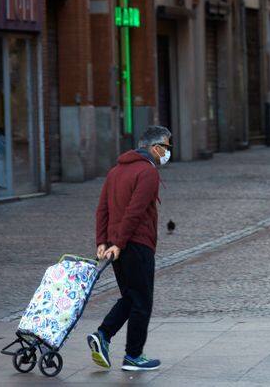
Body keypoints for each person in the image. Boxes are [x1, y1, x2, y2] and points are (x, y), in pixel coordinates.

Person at [88, 126, 172, 372]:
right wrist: (119, 243)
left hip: (118, 246)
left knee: (132, 296)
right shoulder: (147, 173)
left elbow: (102, 209)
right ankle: (133, 356)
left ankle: (102, 336)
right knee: (142, 301)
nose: (168, 152)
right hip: (136, 245)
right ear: (155, 148)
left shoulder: (116, 171)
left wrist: (103, 242)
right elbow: (134, 213)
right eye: (166, 147)